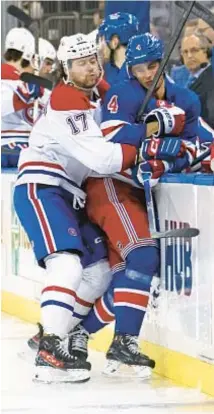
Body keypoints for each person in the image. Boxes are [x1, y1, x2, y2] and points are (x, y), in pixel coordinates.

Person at [13, 33, 153, 383]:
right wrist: (145, 136)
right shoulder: (67, 101)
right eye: (80, 63)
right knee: (67, 264)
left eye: (93, 60)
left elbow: (112, 94)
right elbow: (104, 160)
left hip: (67, 193)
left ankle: (53, 333)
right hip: (42, 187)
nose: (90, 67)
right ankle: (50, 350)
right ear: (65, 70)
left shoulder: (90, 95)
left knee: (100, 271)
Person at [68, 33, 195, 377]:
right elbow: (111, 138)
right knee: (142, 254)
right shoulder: (123, 93)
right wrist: (154, 128)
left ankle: (71, 336)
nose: (146, 73)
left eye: (152, 66)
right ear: (130, 68)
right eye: (138, 67)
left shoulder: (182, 96)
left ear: (162, 64)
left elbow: (200, 140)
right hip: (110, 184)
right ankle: (124, 341)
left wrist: (173, 157)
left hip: (134, 191)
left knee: (126, 276)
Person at [1, 27, 42, 168]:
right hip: (10, 148)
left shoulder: (29, 84)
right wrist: (23, 91)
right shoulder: (14, 83)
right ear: (28, 55)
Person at [98, 12, 139, 84]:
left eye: (102, 39)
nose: (100, 47)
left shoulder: (140, 76)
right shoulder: (104, 69)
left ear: (114, 42)